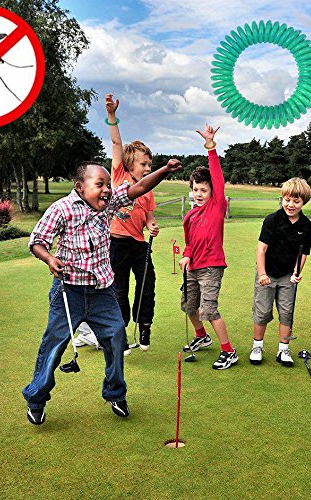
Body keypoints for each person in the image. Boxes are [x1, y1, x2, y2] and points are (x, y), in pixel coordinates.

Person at [22, 158, 181, 425]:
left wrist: (165, 170)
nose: (107, 190)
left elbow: (140, 187)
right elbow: (37, 241)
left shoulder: (108, 205)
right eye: (100, 184)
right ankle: (36, 398)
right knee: (54, 345)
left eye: (108, 184)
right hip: (69, 291)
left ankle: (115, 393)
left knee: (116, 337)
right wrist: (49, 259)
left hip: (102, 293)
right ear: (80, 187)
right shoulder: (62, 209)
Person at [178, 124, 237, 370]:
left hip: (212, 267)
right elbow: (189, 243)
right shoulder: (190, 216)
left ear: (212, 192)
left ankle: (228, 351)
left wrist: (210, 147)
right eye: (195, 190)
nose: (199, 194)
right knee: (189, 306)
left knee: (209, 310)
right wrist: (186, 256)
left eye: (204, 189)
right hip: (193, 267)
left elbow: (218, 177)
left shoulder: (217, 206)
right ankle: (201, 336)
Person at [105, 94, 159, 352]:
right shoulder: (119, 175)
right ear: (129, 164)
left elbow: (149, 216)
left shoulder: (148, 189)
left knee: (147, 283)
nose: (148, 168)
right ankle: (121, 332)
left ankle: (144, 324)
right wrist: (112, 115)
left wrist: (152, 226)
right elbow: (116, 142)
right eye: (143, 164)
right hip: (116, 243)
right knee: (119, 289)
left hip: (139, 245)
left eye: (150, 164)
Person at [249, 177, 311, 367]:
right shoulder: (272, 220)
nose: (290, 205)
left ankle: (283, 350)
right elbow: (261, 249)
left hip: (287, 276)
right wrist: (262, 274)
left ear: (303, 202)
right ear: (282, 198)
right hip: (267, 273)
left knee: (286, 312)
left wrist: (296, 272)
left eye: (296, 201)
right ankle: (257, 347)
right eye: (287, 200)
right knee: (262, 311)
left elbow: (303, 254)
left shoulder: (307, 226)